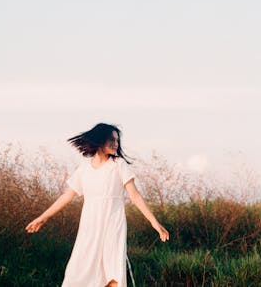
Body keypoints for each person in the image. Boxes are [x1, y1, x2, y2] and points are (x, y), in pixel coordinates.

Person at [25, 123, 169, 287]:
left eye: (117, 140)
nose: (116, 143)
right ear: (100, 140)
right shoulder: (84, 168)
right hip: (89, 228)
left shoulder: (118, 165)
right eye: (112, 139)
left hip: (113, 227)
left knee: (113, 273)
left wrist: (155, 223)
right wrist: (43, 218)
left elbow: (135, 196)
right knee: (77, 273)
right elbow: (66, 196)